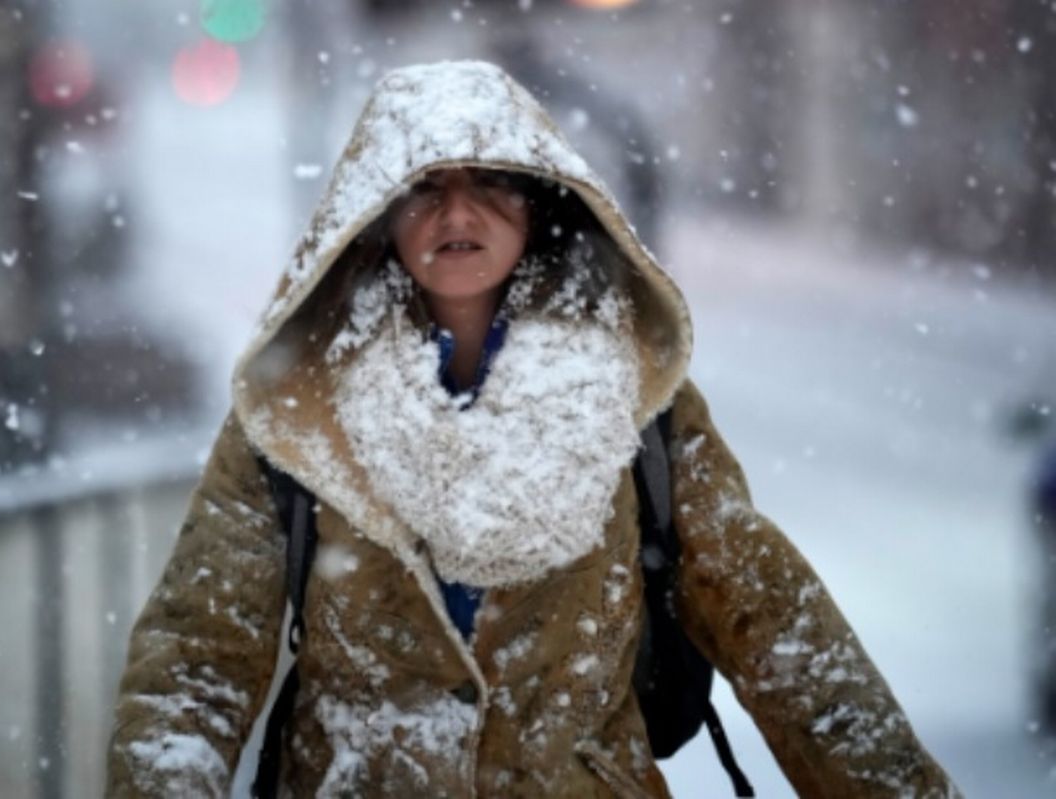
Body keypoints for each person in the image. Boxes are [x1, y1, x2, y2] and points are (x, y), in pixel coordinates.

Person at [106, 60, 958, 797]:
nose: (458, 214)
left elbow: (780, 630)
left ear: (541, 200)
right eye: (425, 188)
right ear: (376, 213)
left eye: (491, 182)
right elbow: (195, 662)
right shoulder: (298, 409)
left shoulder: (637, 396)